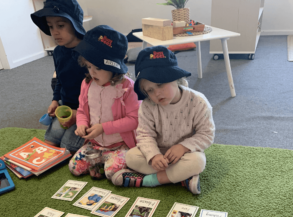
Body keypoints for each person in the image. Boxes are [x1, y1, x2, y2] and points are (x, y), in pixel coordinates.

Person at [112, 46, 215, 194]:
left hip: (186, 154)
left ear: (175, 77)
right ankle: (182, 178)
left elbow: (206, 134)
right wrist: (153, 155)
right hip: (159, 152)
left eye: (160, 84)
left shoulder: (198, 101)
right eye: (150, 90)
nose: (157, 93)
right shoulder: (148, 105)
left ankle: (149, 180)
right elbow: (144, 135)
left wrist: (184, 147)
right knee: (131, 157)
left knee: (198, 162)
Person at [68, 25, 140, 180]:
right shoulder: (86, 84)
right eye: (88, 66)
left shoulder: (127, 87)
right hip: (94, 145)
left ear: (113, 68)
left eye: (98, 68)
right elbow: (81, 110)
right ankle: (100, 161)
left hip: (120, 144)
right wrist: (81, 124)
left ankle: (108, 162)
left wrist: (103, 128)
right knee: (74, 168)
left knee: (112, 173)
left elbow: (134, 120)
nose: (92, 72)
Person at [31, 0, 87, 153]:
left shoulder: (88, 53)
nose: (54, 32)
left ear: (74, 23)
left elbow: (99, 89)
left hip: (87, 111)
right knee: (50, 141)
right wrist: (55, 99)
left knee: (68, 148)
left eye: (60, 26)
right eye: (50, 26)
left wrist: (81, 113)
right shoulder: (58, 52)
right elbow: (59, 80)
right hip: (66, 106)